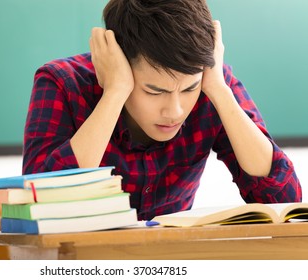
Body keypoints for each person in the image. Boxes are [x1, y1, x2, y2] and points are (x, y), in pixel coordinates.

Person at [22, 0, 302, 220]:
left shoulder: (212, 83)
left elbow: (283, 201)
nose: (175, 111)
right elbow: (40, 203)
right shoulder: (62, 82)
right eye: (154, 91)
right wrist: (115, 92)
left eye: (188, 89)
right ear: (118, 60)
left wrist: (218, 91)